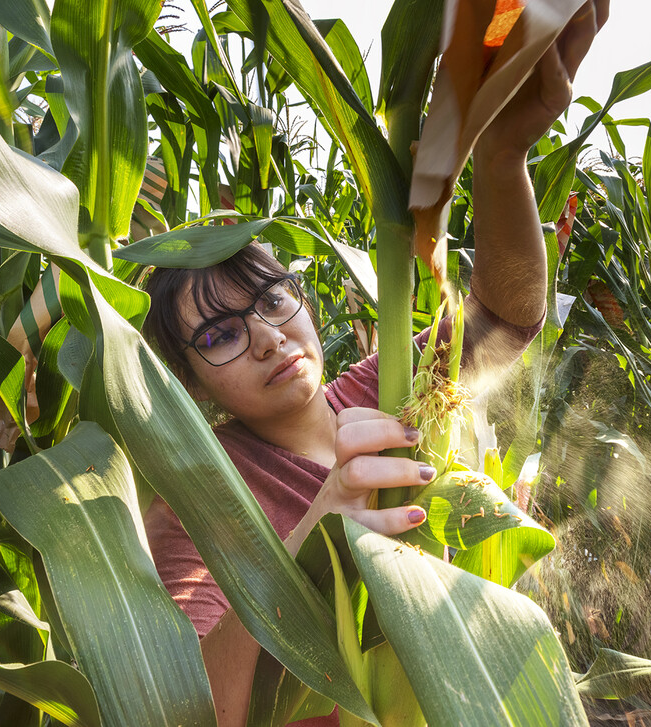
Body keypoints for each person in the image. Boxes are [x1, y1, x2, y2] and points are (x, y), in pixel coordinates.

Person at [141, 3, 608, 724]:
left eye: (270, 300)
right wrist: (316, 540)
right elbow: (192, 705)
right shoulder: (201, 501)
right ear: (192, 383)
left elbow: (504, 316)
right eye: (218, 336)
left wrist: (501, 154)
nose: (265, 337)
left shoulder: (384, 389)